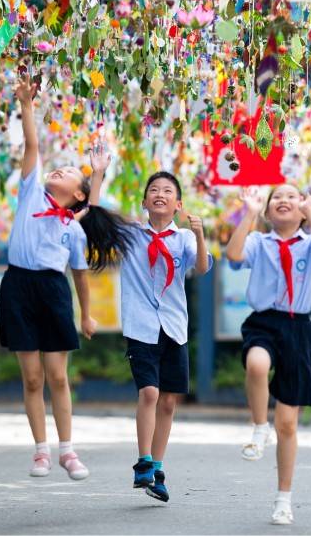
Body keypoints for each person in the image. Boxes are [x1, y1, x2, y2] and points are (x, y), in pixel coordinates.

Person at [0, 80, 133, 481]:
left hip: (53, 292)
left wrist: (87, 315)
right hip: (18, 288)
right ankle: (40, 451)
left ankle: (67, 451)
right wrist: (26, 105)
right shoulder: (30, 194)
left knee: (57, 376)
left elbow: (80, 274)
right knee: (33, 377)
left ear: (76, 193)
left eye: (72, 171)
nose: (61, 168)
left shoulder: (72, 228)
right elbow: (33, 148)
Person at [87, 157, 210, 503]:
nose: (160, 194)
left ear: (178, 204)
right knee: (150, 393)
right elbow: (96, 217)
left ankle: (157, 467)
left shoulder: (184, 237)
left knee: (169, 401)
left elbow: (201, 269)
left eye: (167, 191)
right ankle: (143, 462)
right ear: (144, 202)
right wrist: (98, 174)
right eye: (153, 190)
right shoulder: (130, 234)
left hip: (174, 327)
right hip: (141, 326)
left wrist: (200, 237)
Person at [225, 184, 311, 526]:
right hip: (265, 322)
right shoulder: (260, 242)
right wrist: (249, 212)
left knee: (288, 424)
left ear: (302, 210)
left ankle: (283, 499)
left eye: (292, 196)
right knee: (257, 364)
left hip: (298, 329)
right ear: (269, 211)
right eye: (277, 198)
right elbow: (233, 256)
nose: (284, 200)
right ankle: (259, 427)